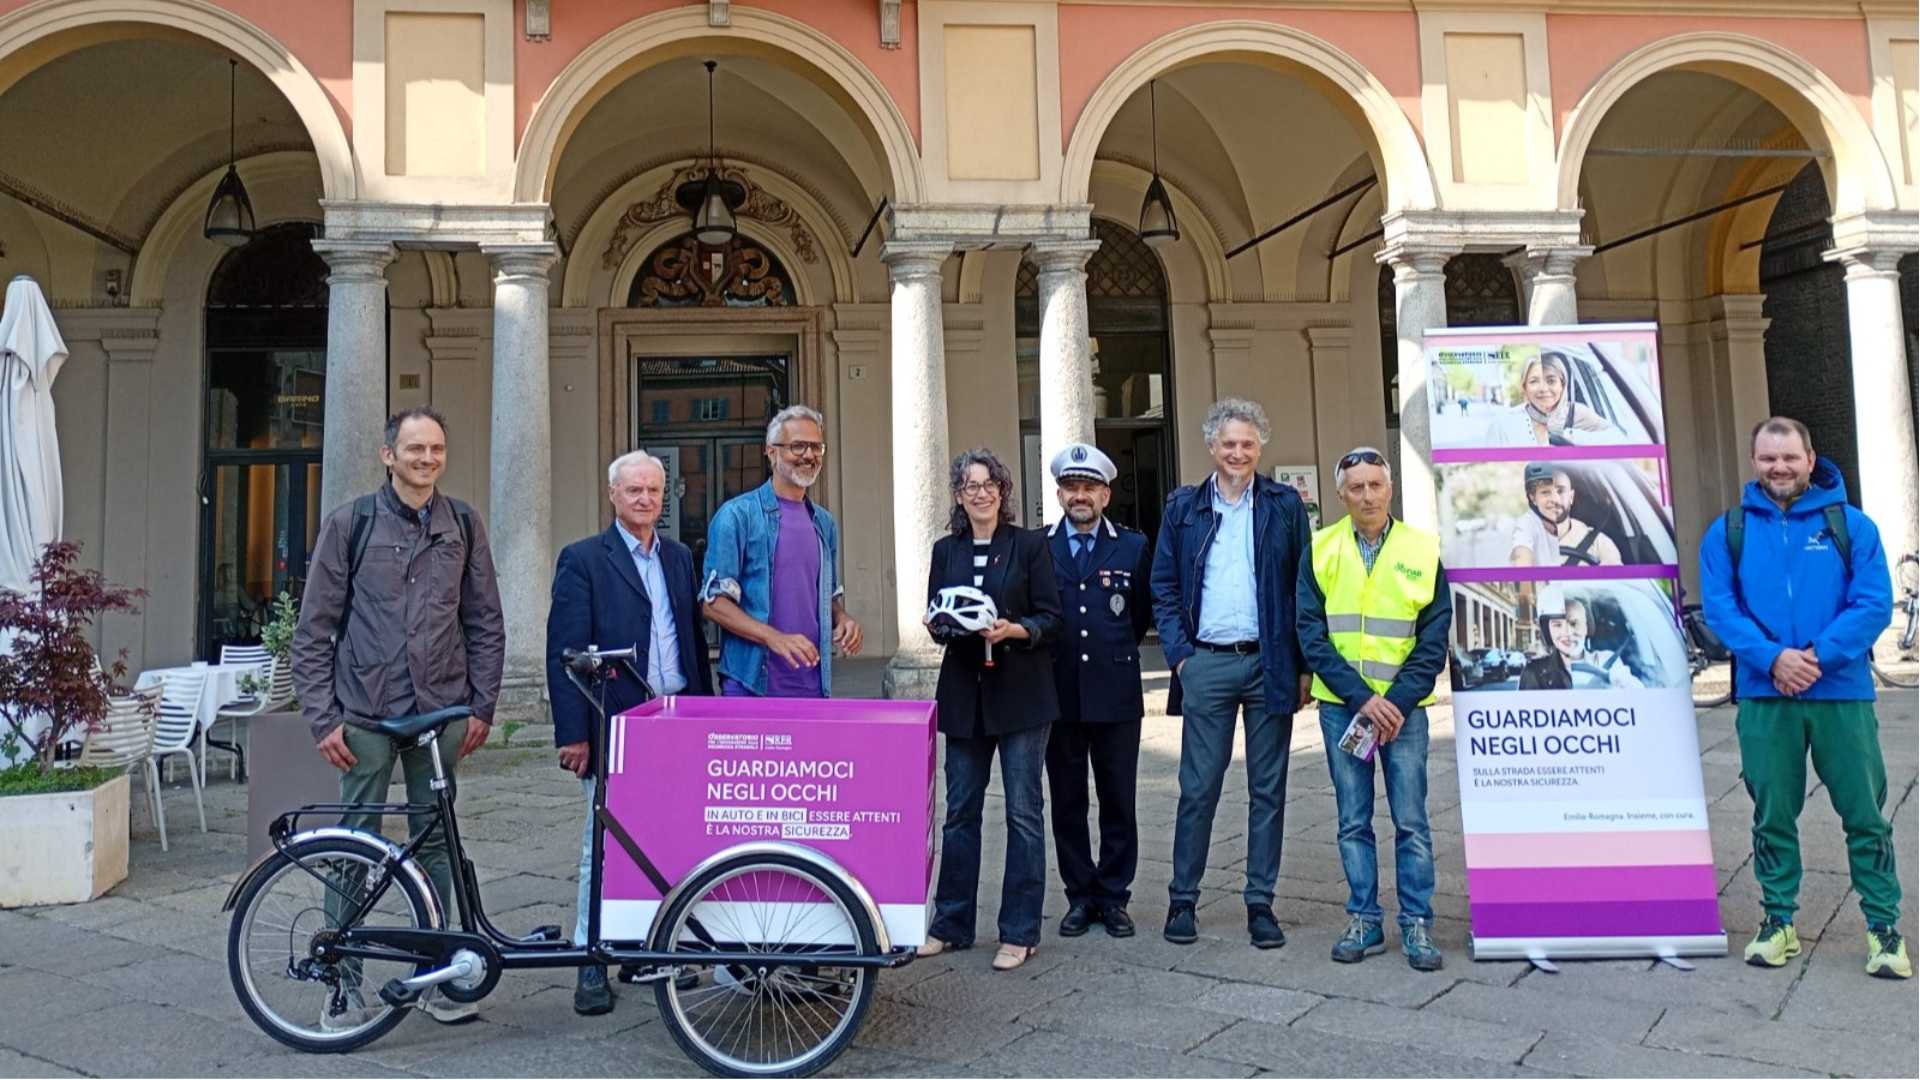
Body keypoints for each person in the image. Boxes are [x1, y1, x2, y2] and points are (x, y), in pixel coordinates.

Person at [292, 406, 504, 1028]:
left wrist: (482, 705)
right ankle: (343, 981)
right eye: (415, 448)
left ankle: (434, 976)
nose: (427, 458)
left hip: (439, 714)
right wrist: (322, 718)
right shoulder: (351, 523)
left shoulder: (463, 523)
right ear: (389, 456)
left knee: (437, 841)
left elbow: (485, 621)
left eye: (436, 448)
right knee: (355, 843)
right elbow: (314, 630)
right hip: (365, 713)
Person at [1700, 416, 1907, 980]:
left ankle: (1883, 927)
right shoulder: (1728, 531)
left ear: (1811, 459)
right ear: (1754, 462)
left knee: (1865, 815)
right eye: (1768, 458)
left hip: (1840, 692)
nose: (1780, 468)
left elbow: (1871, 604)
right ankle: (1778, 920)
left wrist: (1814, 658)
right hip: (1767, 696)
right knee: (1772, 815)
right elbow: (1720, 608)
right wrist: (1773, 659)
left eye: (1789, 457)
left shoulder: (1852, 527)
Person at [547, 451, 713, 1016]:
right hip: (614, 720)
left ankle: (649, 948)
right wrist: (574, 733)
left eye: (654, 492)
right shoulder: (584, 560)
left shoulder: (678, 558)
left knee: (668, 841)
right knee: (604, 845)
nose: (645, 500)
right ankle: (589, 959)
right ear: (613, 494)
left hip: (676, 716)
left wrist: (704, 713)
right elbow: (565, 654)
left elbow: (689, 636)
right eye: (634, 490)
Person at [1151, 397, 1313, 950]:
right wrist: (1181, 658)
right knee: (1198, 787)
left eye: (1247, 443)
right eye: (1228, 443)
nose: (1238, 452)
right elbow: (1164, 586)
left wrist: (1301, 666)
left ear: (1260, 447)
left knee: (1268, 789)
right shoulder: (1182, 507)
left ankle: (1260, 903)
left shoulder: (1285, 505)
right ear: (1211, 447)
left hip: (1269, 663)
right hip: (1207, 663)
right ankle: (1183, 899)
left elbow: (1302, 590)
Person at [1296, 447, 1451, 971]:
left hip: (1405, 713)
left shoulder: (1422, 549)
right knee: (1352, 820)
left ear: (1391, 489)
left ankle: (1416, 924)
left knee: (1412, 821)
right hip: (1344, 707)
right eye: (1356, 487)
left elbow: (1433, 640)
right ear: (1341, 494)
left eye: (1375, 485)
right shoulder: (1320, 548)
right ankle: (1363, 917)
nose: (1366, 495)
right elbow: (1311, 636)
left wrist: (1395, 701)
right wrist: (1364, 699)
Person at [917, 448, 1062, 972]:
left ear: (1003, 491)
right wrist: (943, 625)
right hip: (964, 693)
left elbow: (1052, 617)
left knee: (1023, 813)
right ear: (958, 496)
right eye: (969, 485)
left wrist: (1013, 630)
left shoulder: (1029, 546)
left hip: (1021, 693)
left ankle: (1020, 931)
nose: (980, 493)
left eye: (989, 484)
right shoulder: (945, 550)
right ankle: (950, 924)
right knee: (960, 813)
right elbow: (934, 614)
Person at [1042, 443, 1152, 940]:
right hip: (1059, 694)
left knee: (1117, 799)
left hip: (1115, 692)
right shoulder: (1040, 547)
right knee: (1067, 801)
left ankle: (1113, 896)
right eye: (1071, 487)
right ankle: (1079, 896)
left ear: (1106, 494)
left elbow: (1140, 616)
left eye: (1089, 488)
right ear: (1061, 493)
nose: (1079, 496)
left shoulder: (1132, 547)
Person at [701, 404, 863, 696]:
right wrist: (773, 638)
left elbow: (825, 596)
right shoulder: (736, 516)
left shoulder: (824, 523)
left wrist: (843, 618)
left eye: (816, 447)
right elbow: (713, 604)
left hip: (813, 684)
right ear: (771, 452)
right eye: (797, 446)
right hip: (750, 685)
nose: (809, 455)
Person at [1483, 349, 1620, 447]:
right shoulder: (1503, 426)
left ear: (1562, 385)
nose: (1543, 389)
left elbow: (1617, 438)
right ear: (1524, 387)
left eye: (1551, 380)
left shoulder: (1578, 413)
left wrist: (1572, 436)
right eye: (1534, 381)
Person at [1517, 587, 1642, 690]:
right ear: (1548, 631)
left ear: (1586, 627)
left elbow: (1638, 694)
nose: (1567, 633)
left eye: (1573, 623)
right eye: (1557, 625)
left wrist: (1621, 684)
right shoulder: (1533, 672)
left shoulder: (1608, 660)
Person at [1509, 464, 1623, 567]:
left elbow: (1616, 583)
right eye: (1545, 492)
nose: (1554, 499)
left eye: (1560, 491)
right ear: (1533, 498)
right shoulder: (1527, 530)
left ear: (1571, 497)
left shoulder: (1599, 543)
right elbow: (1521, 555)